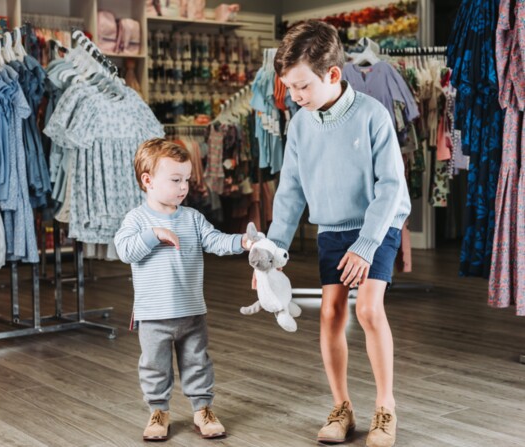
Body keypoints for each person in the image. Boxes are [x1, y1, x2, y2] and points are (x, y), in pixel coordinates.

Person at [265, 21, 411, 447]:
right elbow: (289, 191)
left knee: (367, 310)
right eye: (289, 88)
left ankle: (385, 407)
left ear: (332, 74)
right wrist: (273, 249)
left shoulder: (373, 114)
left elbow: (391, 189)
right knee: (330, 313)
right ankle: (342, 407)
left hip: (376, 225)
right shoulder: (299, 125)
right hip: (332, 227)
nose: (294, 96)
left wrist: (366, 246)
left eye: (301, 87)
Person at [114, 138, 249, 442]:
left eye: (186, 179)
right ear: (147, 181)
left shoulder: (192, 218)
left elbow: (215, 241)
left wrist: (241, 242)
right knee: (155, 367)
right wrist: (154, 234)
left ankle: (203, 409)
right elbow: (125, 250)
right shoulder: (137, 220)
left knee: (198, 362)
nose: (183, 187)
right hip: (153, 315)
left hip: (191, 312)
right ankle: (159, 411)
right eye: (175, 180)